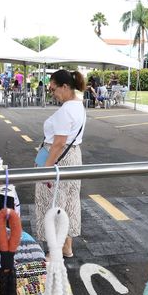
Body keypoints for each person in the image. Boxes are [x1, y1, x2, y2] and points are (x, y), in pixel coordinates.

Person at [33, 69, 86, 258]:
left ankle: (55, 251)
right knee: (69, 201)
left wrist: (46, 168)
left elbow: (58, 143)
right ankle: (67, 247)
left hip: (58, 158)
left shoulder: (66, 110)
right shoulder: (78, 105)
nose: (52, 93)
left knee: (53, 203)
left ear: (65, 87)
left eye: (53, 89)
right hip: (72, 157)